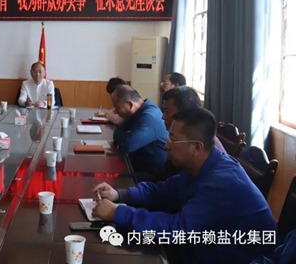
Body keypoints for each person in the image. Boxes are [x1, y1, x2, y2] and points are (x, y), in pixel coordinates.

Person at [93, 108, 277, 264]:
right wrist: (120, 194)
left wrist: (117, 213)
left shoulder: (223, 183)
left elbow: (177, 229)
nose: (166, 146)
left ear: (196, 147)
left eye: (173, 139)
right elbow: (162, 191)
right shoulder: (204, 164)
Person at [112, 85, 168, 174]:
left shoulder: (149, 116)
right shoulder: (137, 111)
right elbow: (117, 131)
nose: (115, 111)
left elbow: (127, 145)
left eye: (117, 108)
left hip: (153, 174)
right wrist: (125, 135)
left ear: (130, 104)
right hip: (139, 165)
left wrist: (125, 136)